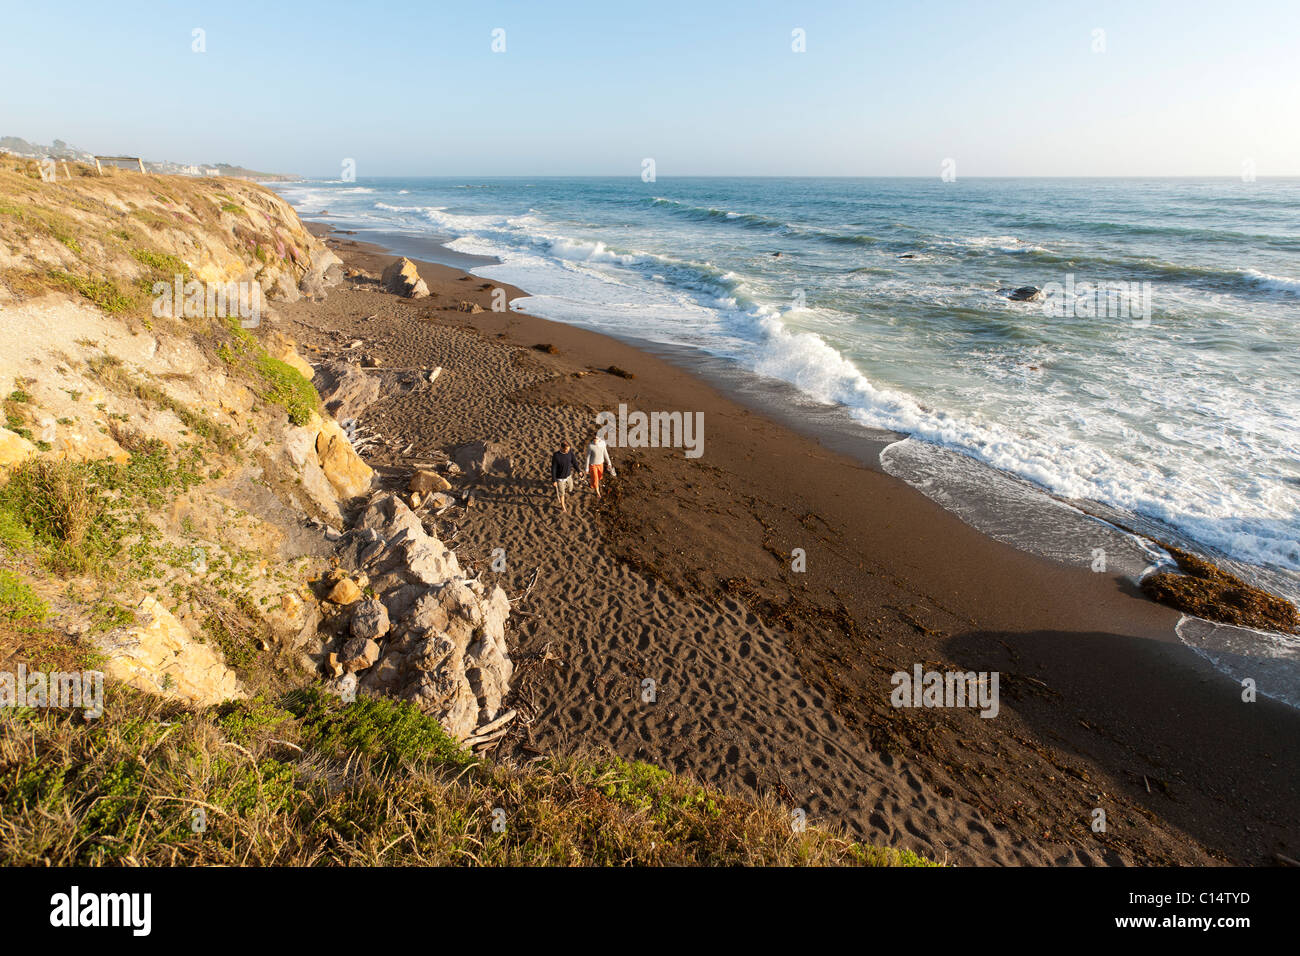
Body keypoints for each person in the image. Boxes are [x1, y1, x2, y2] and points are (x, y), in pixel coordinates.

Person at [551, 440, 580, 513]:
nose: (568, 451)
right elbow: (553, 468)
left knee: (570, 488)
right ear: (561, 448)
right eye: (566, 450)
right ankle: (563, 506)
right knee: (562, 493)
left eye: (569, 449)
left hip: (568, 476)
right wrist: (554, 480)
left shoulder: (570, 452)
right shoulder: (556, 455)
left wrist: (579, 471)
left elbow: (574, 462)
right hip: (560, 478)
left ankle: (563, 490)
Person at [584, 430, 616, 498]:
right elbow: (587, 458)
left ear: (600, 438)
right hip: (593, 465)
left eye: (596, 438)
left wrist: (609, 463)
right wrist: (586, 468)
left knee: (599, 477)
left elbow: (605, 453)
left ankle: (592, 484)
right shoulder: (590, 446)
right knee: (595, 479)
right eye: (594, 438)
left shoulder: (603, 444)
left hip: (600, 464)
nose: (595, 440)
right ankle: (597, 492)